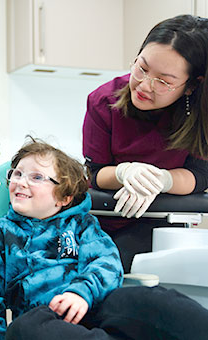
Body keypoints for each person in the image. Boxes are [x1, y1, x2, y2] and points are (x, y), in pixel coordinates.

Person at [82, 14, 208, 272]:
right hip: (100, 221)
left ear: (191, 86)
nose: (144, 85)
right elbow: (95, 172)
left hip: (162, 221)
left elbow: (200, 174)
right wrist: (125, 172)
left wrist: (163, 180)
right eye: (142, 68)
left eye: (163, 81)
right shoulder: (102, 101)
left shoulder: (200, 116)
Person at [0, 137, 124, 340]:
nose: (20, 182)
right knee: (25, 327)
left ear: (64, 197)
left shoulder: (81, 225)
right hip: (43, 322)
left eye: (36, 177)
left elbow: (107, 261)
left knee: (137, 299)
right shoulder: (2, 232)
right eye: (17, 174)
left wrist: (81, 293)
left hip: (90, 305)